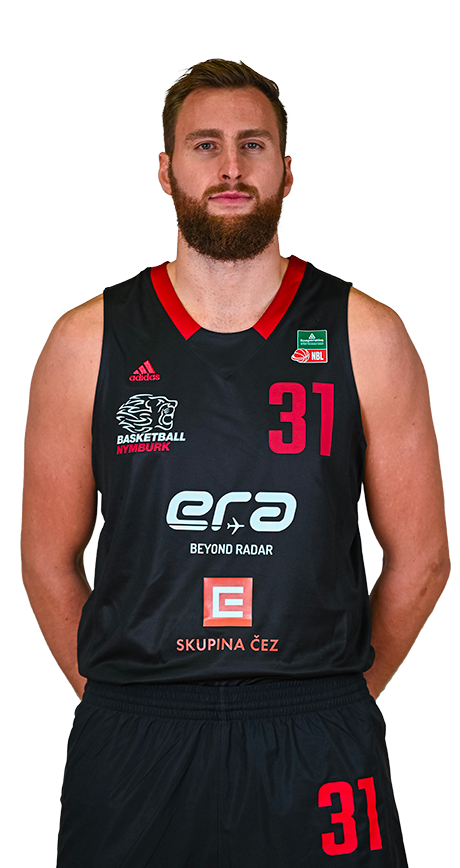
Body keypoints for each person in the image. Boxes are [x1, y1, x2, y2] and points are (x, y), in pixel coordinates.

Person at [21, 59, 449, 867]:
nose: (229, 167)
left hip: (317, 728)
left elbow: (423, 558)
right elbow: (46, 557)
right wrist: (119, 692)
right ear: (165, 170)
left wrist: (339, 692)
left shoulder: (368, 334)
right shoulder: (87, 341)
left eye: (252, 145)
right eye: (204, 145)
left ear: (285, 169)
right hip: (136, 733)